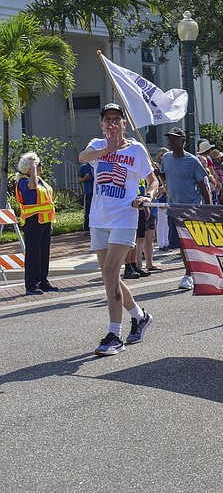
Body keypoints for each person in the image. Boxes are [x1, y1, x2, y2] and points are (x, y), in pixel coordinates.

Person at [79, 103, 158, 356]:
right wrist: (107, 149)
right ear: (102, 125)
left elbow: (153, 180)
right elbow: (82, 158)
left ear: (124, 124)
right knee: (108, 276)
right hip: (99, 219)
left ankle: (115, 334)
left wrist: (148, 196)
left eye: (116, 118)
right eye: (107, 119)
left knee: (112, 273)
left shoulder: (136, 150)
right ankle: (140, 315)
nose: (112, 123)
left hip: (124, 217)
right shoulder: (97, 145)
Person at [158, 127, 212, 290]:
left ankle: (190, 273)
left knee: (192, 243)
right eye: (169, 139)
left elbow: (203, 186)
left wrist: (208, 209)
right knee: (182, 244)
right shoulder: (166, 158)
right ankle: (190, 272)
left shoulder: (193, 161)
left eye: (174, 138)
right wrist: (158, 174)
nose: (171, 141)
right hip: (174, 208)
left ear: (183, 141)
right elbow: (165, 176)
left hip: (192, 208)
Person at [15, 153, 57, 296]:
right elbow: (32, 187)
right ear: (29, 168)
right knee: (34, 253)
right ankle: (32, 285)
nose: (40, 166)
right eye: (38, 164)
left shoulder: (40, 180)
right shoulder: (23, 180)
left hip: (44, 220)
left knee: (44, 251)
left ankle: (43, 281)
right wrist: (32, 167)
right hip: (32, 221)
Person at [79, 161, 94, 231]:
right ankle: (87, 227)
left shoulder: (98, 165)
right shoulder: (84, 167)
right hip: (89, 191)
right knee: (88, 209)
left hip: (98, 192)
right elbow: (80, 179)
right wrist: (84, 178)